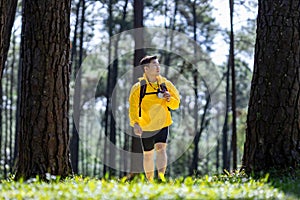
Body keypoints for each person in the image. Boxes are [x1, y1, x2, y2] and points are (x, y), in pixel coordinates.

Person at [128, 55, 180, 182]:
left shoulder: (166, 84)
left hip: (163, 123)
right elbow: (133, 108)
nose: (158, 67)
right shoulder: (138, 88)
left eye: (158, 65)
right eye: (154, 65)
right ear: (146, 69)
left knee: (161, 148)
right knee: (148, 155)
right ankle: (150, 181)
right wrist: (135, 123)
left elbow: (176, 104)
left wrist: (169, 99)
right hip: (146, 125)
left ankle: (161, 178)